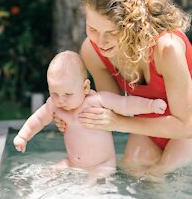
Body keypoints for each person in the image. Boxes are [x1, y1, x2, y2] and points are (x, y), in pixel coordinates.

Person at [53, 0, 192, 179]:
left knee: (166, 184)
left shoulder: (167, 48)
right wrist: (71, 112)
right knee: (133, 178)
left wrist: (119, 123)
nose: (101, 41)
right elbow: (109, 107)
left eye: (111, 32)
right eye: (92, 29)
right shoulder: (92, 51)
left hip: (190, 121)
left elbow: (187, 126)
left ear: (132, 25)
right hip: (146, 120)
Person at [13, 50, 167, 182]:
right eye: (55, 93)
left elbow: (125, 104)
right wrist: (23, 136)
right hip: (72, 163)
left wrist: (150, 105)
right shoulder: (54, 106)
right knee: (50, 174)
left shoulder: (97, 101)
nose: (61, 99)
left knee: (94, 186)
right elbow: (38, 119)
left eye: (67, 94)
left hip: (102, 165)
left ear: (85, 87)